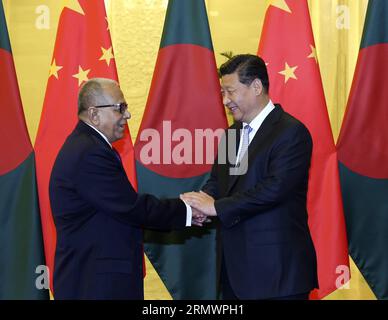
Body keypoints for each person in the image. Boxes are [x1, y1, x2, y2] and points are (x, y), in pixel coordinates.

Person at [49, 78, 205, 300]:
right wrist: (186, 210)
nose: (127, 115)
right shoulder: (89, 152)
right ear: (94, 114)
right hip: (95, 285)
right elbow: (131, 207)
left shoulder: (87, 146)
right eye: (120, 108)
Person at [181, 54, 318, 300]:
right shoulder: (232, 134)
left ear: (256, 86)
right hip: (235, 272)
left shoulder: (291, 132)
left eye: (230, 92)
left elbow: (275, 189)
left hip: (277, 275)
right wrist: (197, 204)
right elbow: (219, 182)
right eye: (222, 93)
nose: (225, 101)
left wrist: (216, 207)